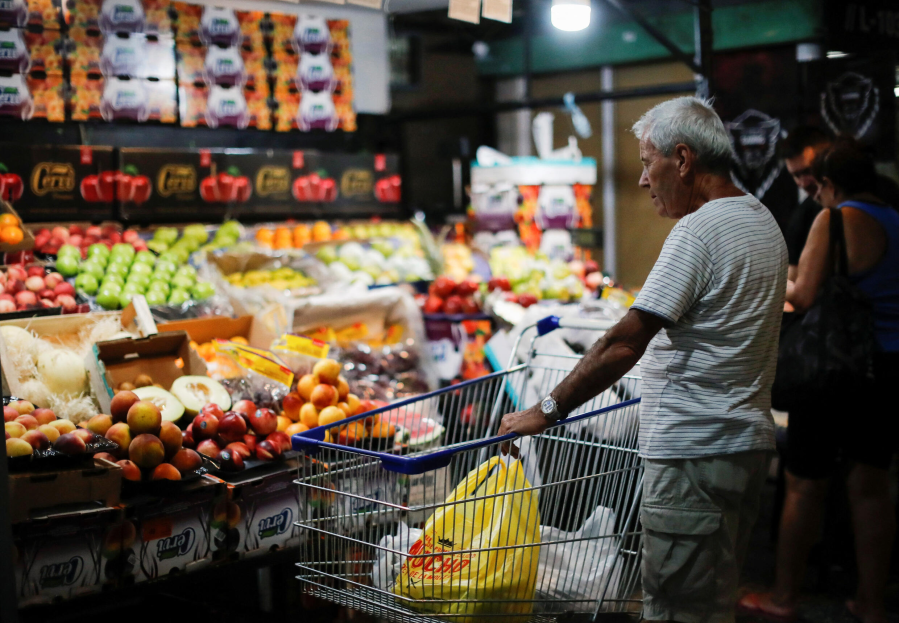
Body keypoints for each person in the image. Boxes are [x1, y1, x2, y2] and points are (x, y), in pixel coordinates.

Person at [498, 96, 788, 622]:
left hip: (693, 454)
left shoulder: (698, 232)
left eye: (646, 162)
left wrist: (547, 409)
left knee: (677, 608)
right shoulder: (762, 220)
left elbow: (624, 343)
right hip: (742, 447)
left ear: (683, 159)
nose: (641, 180)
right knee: (712, 600)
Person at [738, 143, 899, 623]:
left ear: (828, 185)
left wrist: (768, 279)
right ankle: (871, 603)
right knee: (871, 486)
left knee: (804, 484)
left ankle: (783, 597)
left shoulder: (834, 219)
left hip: (835, 368)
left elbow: (804, 294)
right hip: (888, 369)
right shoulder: (895, 218)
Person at [780, 126, 833, 281]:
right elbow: (793, 279)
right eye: (796, 176)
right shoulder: (802, 217)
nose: (803, 183)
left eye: (807, 171)